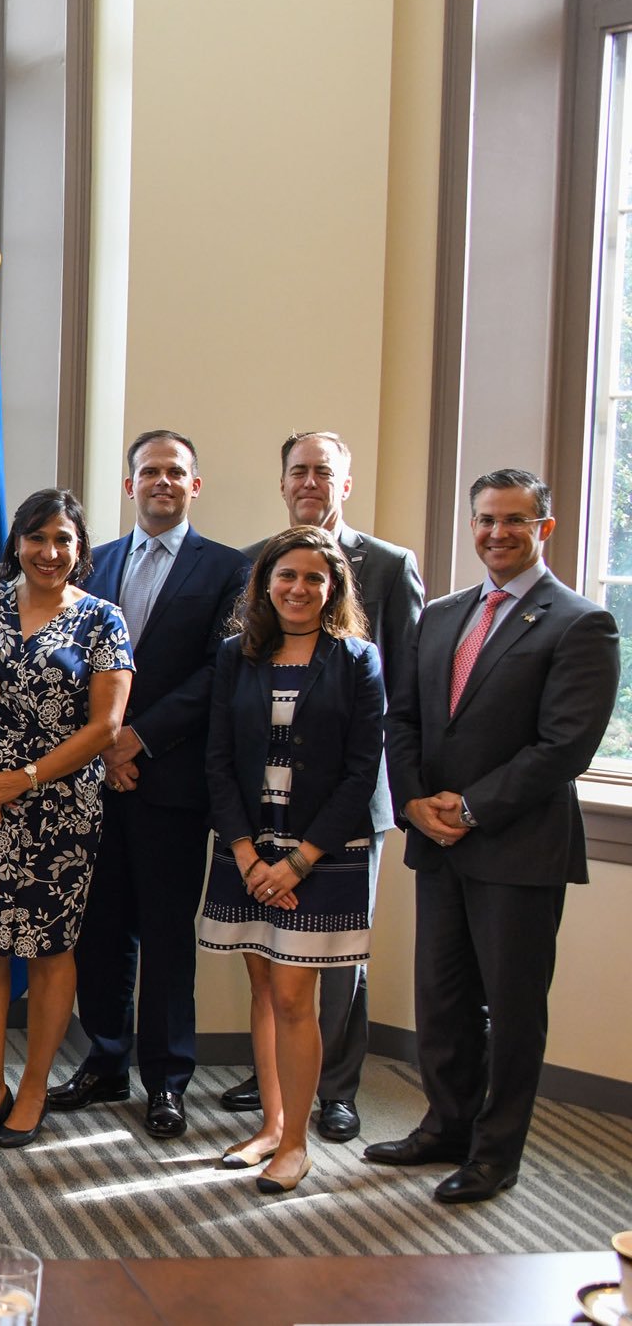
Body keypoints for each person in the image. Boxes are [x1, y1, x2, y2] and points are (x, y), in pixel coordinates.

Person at [369, 468, 619, 1204]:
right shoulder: (441, 615)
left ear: (544, 527)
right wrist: (415, 801)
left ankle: (495, 1151)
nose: (497, 533)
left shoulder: (580, 621)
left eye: (514, 520)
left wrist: (470, 807)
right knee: (440, 999)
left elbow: (565, 745)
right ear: (471, 524)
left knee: (510, 1009)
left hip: (517, 847)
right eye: (485, 519)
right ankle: (445, 1125)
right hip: (438, 842)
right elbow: (401, 717)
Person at [220, 432, 424, 1142]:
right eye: (298, 470)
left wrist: (312, 847)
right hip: (261, 808)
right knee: (271, 968)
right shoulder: (254, 565)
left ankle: (336, 1090)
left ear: (346, 482)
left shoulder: (391, 568)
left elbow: (404, 694)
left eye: (323, 471)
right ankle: (277, 1093)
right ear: (282, 482)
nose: (310, 481)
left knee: (336, 962)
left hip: (345, 807)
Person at [49, 431, 249, 1140]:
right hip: (92, 780)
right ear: (129, 486)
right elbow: (67, 660)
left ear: (195, 485)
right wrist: (103, 748)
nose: (161, 481)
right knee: (99, 927)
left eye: (175, 471)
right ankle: (106, 1058)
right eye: (148, 471)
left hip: (169, 780)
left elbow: (217, 671)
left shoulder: (230, 568)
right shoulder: (89, 564)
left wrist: (136, 738)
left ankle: (167, 1078)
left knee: (165, 932)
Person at [0, 489, 132, 1150]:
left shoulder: (103, 620)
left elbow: (106, 725)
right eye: (38, 537)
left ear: (80, 551)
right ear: (16, 542)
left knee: (50, 950)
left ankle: (35, 1088)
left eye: (65, 540)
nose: (50, 552)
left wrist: (20, 778)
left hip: (60, 809)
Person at [200, 526, 384, 1194]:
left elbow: (363, 772)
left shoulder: (357, 658)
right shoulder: (235, 656)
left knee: (293, 996)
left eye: (314, 578)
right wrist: (248, 853)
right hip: (249, 848)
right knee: (263, 990)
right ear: (265, 583)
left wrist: (299, 860)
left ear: (333, 587)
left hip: (321, 854)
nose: (299, 589)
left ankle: (298, 1143)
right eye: (287, 576)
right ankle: (271, 1125)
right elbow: (217, 760)